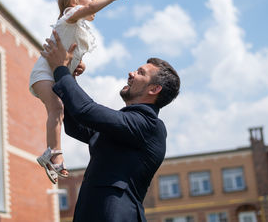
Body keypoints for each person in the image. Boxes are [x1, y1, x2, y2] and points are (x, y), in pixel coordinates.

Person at [41, 31, 180, 222]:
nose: (131, 73)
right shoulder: (125, 126)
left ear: (154, 89)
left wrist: (61, 69)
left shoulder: (150, 125)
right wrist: (69, 76)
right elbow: (78, 125)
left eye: (140, 73)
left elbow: (86, 111)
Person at [29, 0, 128, 183]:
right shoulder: (70, 16)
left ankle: (53, 155)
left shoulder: (79, 29)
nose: (94, 2)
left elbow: (74, 56)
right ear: (74, 2)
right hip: (43, 75)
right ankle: (54, 155)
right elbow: (91, 7)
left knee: (60, 111)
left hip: (56, 75)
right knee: (56, 108)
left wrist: (79, 66)